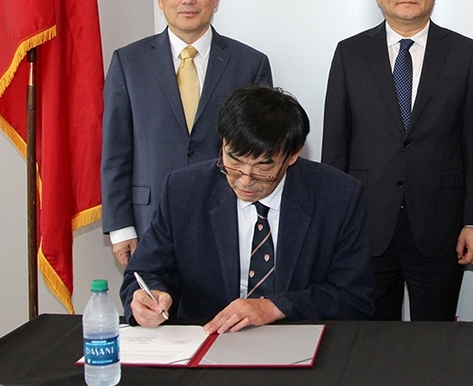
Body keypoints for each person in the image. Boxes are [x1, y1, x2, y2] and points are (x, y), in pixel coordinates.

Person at [322, 0, 473, 321]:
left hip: (442, 224)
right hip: (366, 225)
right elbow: (335, 146)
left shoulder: (463, 53)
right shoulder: (350, 54)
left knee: (435, 339)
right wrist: (333, 222)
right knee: (368, 339)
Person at [121, 85, 375, 331]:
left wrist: (275, 307)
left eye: (263, 168)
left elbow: (354, 297)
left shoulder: (338, 196)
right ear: (222, 144)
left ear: (293, 155)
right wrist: (147, 297)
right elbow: (145, 273)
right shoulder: (184, 189)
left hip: (296, 338)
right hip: (209, 337)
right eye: (234, 160)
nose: (244, 180)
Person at [102, 0, 272, 266]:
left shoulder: (250, 64)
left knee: (223, 314)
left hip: (231, 217)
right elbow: (115, 151)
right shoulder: (129, 62)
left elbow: (260, 152)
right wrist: (121, 228)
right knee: (153, 313)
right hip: (148, 221)